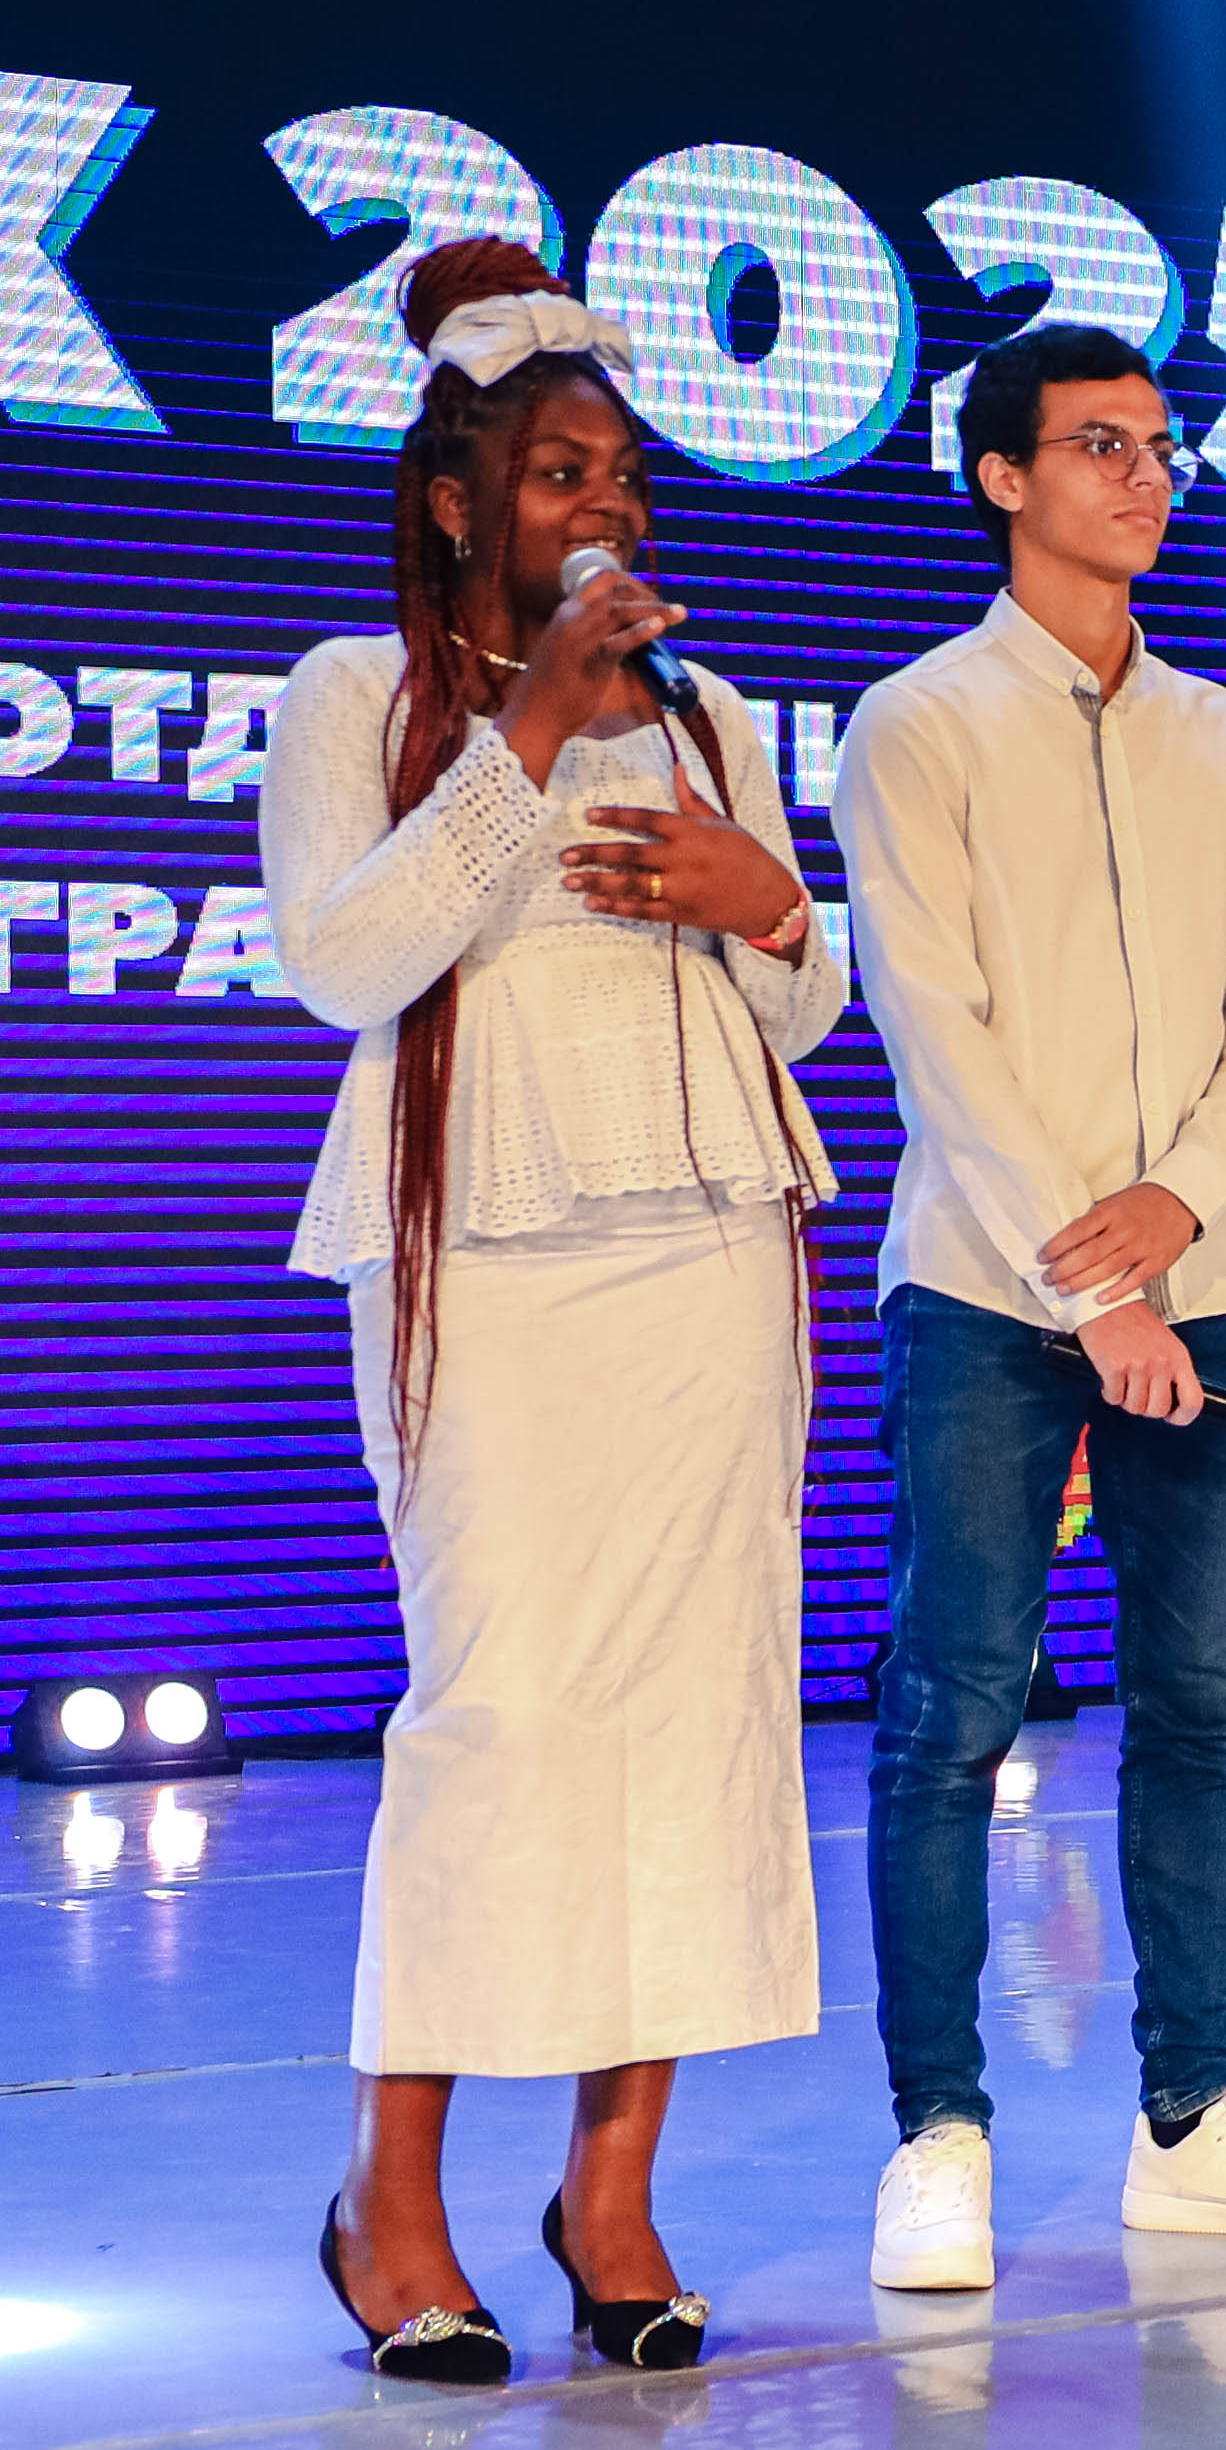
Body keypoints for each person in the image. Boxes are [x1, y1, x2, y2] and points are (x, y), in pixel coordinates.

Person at [264, 238, 843, 2377]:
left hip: (710, 1248)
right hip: (491, 1256)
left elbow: (803, 1008)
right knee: (497, 1712)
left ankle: (611, 2196)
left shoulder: (705, 713)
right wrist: (523, 722)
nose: (605, 509)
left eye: (623, 478)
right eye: (558, 475)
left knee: (696, 1713)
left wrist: (764, 902)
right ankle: (387, 2201)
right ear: (455, 500)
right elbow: (345, 961)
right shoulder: (358, 693)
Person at [839, 323, 1226, 2287]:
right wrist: (1092, 1281)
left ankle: (1193, 2117)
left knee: (1201, 1707)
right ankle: (938, 2130)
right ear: (1001, 476)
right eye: (1099, 444)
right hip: (985, 1291)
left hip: (1202, 1280)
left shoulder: (1222, 733)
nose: (1146, 475)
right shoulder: (915, 721)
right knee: (953, 1707)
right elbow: (935, 1031)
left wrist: (1174, 1209)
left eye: (1158, 445)